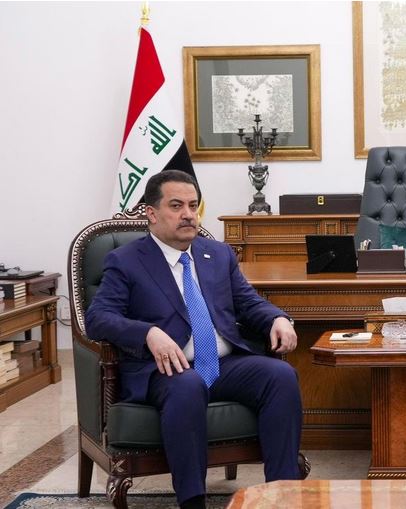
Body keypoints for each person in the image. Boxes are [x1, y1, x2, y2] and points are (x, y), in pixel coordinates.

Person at [85, 170, 302, 509]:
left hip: (224, 364)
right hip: (166, 371)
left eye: (192, 205)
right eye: (176, 206)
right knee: (187, 385)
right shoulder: (126, 261)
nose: (188, 214)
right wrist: (148, 333)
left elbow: (248, 302)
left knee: (281, 376)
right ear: (152, 213)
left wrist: (277, 318)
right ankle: (192, 501)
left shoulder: (218, 254)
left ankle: (282, 494)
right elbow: (98, 318)